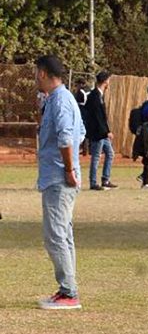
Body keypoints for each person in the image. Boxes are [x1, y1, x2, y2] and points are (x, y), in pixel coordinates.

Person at [35, 54, 86, 310]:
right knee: (63, 234)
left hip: (59, 178)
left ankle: (68, 293)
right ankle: (67, 288)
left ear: (43, 73)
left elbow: (67, 137)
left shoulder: (60, 101)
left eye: (36, 73)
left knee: (55, 235)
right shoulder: (59, 99)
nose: (35, 78)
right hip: (58, 175)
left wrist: (68, 167)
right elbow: (81, 133)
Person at [84, 70, 117, 191]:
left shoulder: (100, 95)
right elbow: (97, 117)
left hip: (103, 132)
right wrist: (105, 132)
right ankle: (93, 182)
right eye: (108, 80)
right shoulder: (94, 96)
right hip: (97, 133)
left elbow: (103, 117)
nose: (109, 82)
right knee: (96, 157)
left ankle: (105, 179)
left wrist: (108, 130)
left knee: (110, 153)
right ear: (105, 81)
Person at [72, 78, 89, 155]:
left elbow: (81, 102)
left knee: (81, 130)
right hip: (86, 112)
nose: (77, 86)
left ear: (81, 84)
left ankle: (84, 148)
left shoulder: (81, 92)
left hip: (82, 112)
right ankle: (85, 148)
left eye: (78, 84)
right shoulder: (88, 90)